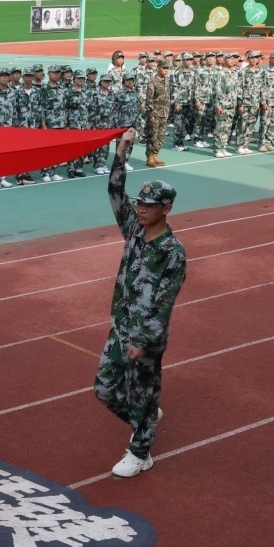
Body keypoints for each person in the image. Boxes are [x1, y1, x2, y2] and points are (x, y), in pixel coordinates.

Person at [96, 130, 188, 479]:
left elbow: (165, 303)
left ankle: (141, 452)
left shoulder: (172, 253)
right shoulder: (134, 231)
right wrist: (122, 150)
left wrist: (144, 340)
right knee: (104, 389)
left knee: (143, 392)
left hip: (145, 339)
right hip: (120, 327)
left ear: (166, 208)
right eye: (140, 203)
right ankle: (146, 418)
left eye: (149, 205)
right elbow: (114, 191)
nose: (141, 208)